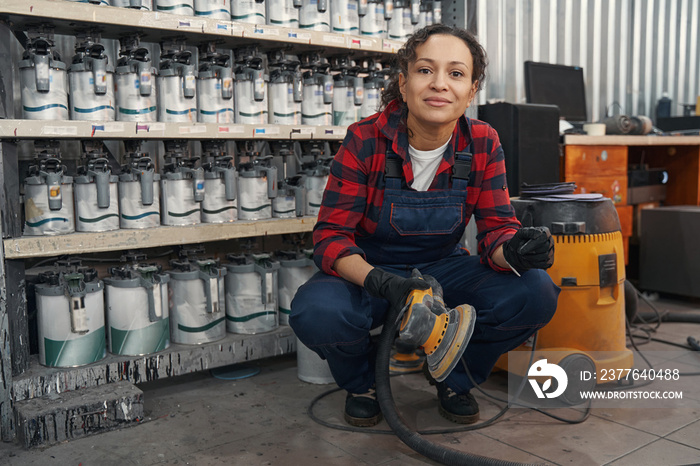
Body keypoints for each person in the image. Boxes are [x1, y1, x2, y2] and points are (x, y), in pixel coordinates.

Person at [290, 24, 560, 428]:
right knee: (317, 311)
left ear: (471, 91)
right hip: (370, 270)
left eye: (455, 73)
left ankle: (454, 376)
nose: (439, 85)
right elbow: (330, 238)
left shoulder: (483, 142)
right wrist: (382, 283)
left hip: (443, 266)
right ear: (403, 83)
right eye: (424, 70)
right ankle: (363, 383)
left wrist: (517, 251)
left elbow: (496, 232)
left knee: (535, 291)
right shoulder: (365, 139)